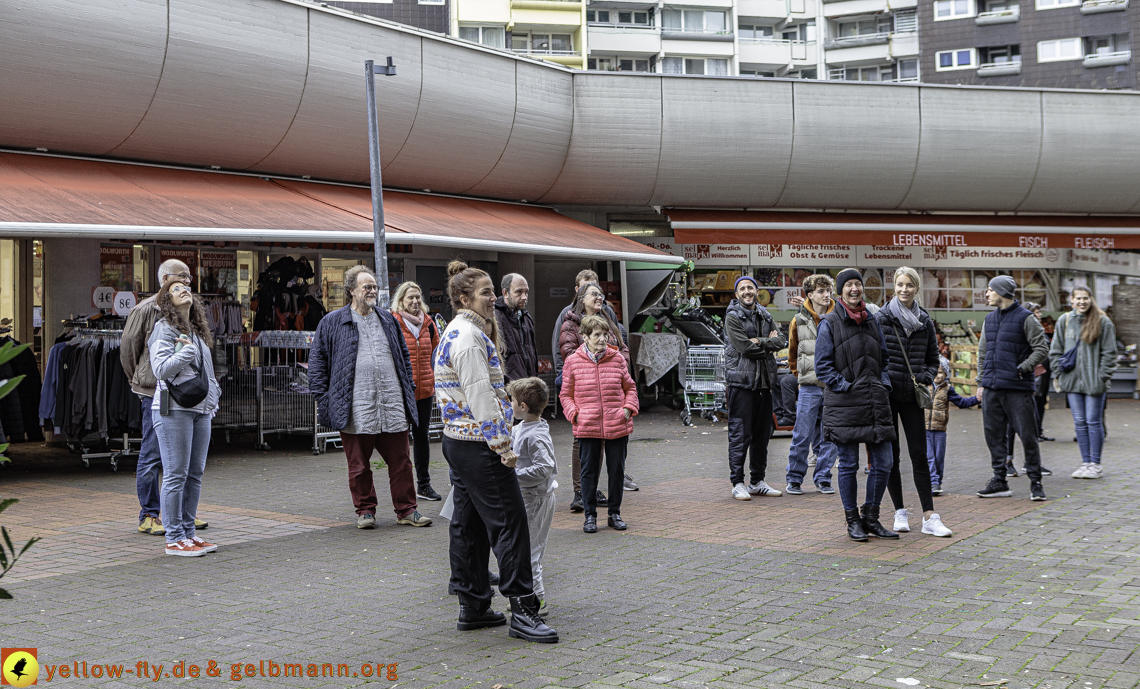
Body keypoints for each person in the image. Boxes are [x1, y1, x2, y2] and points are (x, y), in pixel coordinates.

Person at [434, 261, 556, 643]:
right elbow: (482, 397)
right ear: (463, 297)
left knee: (468, 525)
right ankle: (523, 610)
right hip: (479, 443)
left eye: (491, 291)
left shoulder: (459, 331)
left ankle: (474, 606)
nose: (492, 298)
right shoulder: (468, 336)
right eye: (486, 292)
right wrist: (503, 446)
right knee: (511, 524)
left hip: (459, 442)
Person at [309, 266, 432, 529]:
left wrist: (408, 387)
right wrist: (324, 397)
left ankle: (407, 510)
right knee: (359, 464)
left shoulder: (388, 320)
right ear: (351, 291)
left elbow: (403, 357)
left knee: (401, 461)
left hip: (391, 402)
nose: (372, 290)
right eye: (367, 286)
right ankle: (365, 511)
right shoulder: (331, 322)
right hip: (355, 406)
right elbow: (317, 363)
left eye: (374, 286)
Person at [121, 259, 209, 536]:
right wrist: (142, 379)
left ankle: (181, 514)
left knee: (184, 464)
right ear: (165, 280)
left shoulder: (193, 318)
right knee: (153, 453)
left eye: (188, 279)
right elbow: (129, 349)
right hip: (155, 390)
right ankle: (149, 513)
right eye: (180, 278)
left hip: (189, 397)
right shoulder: (148, 310)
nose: (186, 284)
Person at [814, 268, 897, 542]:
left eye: (857, 285)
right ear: (840, 291)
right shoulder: (828, 323)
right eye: (848, 285)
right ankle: (853, 520)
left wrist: (882, 383)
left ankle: (871, 517)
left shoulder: (872, 320)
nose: (854, 289)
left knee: (884, 462)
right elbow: (823, 368)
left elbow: (884, 358)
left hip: (875, 401)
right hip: (846, 404)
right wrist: (846, 387)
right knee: (848, 464)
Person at [148, 279, 222, 557]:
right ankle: (174, 538)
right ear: (166, 300)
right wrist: (187, 351)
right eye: (175, 289)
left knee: (194, 474)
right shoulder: (163, 329)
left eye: (186, 287)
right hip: (174, 409)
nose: (184, 290)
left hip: (201, 409)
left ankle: (189, 533)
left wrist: (214, 395)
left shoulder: (197, 330)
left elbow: (208, 372)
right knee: (176, 474)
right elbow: (160, 369)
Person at [877, 267, 951, 538]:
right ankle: (899, 511)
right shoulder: (882, 318)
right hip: (888, 395)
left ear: (917, 288)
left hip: (913, 395)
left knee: (919, 454)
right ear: (893, 287)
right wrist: (883, 380)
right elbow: (874, 355)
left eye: (909, 285)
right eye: (899, 284)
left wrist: (924, 376)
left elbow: (934, 358)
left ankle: (929, 515)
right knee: (891, 457)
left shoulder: (925, 321)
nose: (904, 289)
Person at [552, 270, 639, 497]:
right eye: (594, 293)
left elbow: (622, 345)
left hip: (610, 389)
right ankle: (582, 492)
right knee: (584, 443)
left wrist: (618, 365)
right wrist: (574, 410)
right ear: (581, 297)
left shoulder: (608, 316)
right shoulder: (569, 319)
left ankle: (603, 494)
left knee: (609, 440)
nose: (600, 297)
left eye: (600, 293)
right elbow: (567, 353)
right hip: (585, 392)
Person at [560, 314, 639, 533]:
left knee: (616, 470)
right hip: (587, 425)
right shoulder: (573, 361)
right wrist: (574, 414)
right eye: (597, 335)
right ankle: (590, 516)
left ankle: (614, 513)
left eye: (605, 334)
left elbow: (630, 388)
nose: (603, 339)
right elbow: (565, 395)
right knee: (589, 472)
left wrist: (627, 409)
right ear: (584, 336)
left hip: (617, 424)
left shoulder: (617, 359)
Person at [975, 275, 1050, 501]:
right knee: (994, 435)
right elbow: (982, 353)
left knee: (1028, 435)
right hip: (992, 388)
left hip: (1018, 388)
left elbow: (1042, 348)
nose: (986, 294)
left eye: (990, 290)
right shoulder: (989, 319)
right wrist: (981, 381)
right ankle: (999, 480)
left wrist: (1022, 368)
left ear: (1002, 292)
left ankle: (1036, 483)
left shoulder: (1026, 318)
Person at [723, 275, 785, 501]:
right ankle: (737, 483)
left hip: (764, 384)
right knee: (740, 435)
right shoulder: (732, 317)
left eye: (751, 287)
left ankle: (757, 481)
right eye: (742, 289)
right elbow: (744, 348)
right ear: (737, 294)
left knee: (761, 436)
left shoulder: (765, 315)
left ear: (757, 291)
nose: (747, 291)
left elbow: (782, 341)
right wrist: (765, 344)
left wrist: (760, 342)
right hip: (741, 384)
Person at [1049, 286, 1116, 479]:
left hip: (1094, 383)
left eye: (1085, 298)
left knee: (1093, 422)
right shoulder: (1065, 320)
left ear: (1091, 299)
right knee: (1079, 423)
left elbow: (1110, 354)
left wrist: (1102, 376)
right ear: (1071, 300)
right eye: (1078, 298)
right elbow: (1055, 351)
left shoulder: (1103, 322)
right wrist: (1061, 376)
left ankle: (1095, 464)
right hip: (1072, 382)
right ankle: (1085, 462)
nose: (1082, 302)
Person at [784, 274, 838, 495]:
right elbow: (792, 354)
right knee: (802, 433)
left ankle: (823, 478)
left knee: (831, 435)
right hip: (808, 386)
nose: (827, 295)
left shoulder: (838, 317)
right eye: (821, 291)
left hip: (833, 387)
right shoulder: (798, 320)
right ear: (810, 295)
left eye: (828, 290)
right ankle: (794, 478)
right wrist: (801, 377)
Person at [390, 281, 443, 502]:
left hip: (425, 390)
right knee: (400, 440)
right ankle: (403, 489)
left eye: (418, 297)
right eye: (410, 297)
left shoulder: (429, 324)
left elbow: (437, 354)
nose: (415, 301)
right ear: (401, 300)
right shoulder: (393, 322)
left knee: (421, 437)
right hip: (402, 390)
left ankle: (424, 485)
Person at [508, 377, 557, 612]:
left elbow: (545, 468)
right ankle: (525, 596)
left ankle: (537, 601)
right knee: (523, 548)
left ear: (524, 407)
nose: (510, 404)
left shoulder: (535, 435)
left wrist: (514, 474)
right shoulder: (522, 428)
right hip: (527, 496)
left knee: (531, 550)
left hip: (537, 499)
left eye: (512, 401)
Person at [925, 357, 979, 495]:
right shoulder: (924, 386)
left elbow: (961, 403)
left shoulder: (948, 389)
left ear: (947, 374)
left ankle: (938, 482)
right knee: (929, 457)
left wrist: (977, 399)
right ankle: (933, 482)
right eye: (935, 372)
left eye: (941, 372)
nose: (938, 376)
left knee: (938, 458)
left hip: (940, 430)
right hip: (924, 429)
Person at [494, 274, 538, 384]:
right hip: (508, 388)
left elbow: (532, 353)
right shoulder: (495, 317)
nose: (524, 297)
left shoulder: (526, 318)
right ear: (505, 293)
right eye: (519, 292)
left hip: (528, 386)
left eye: (526, 292)